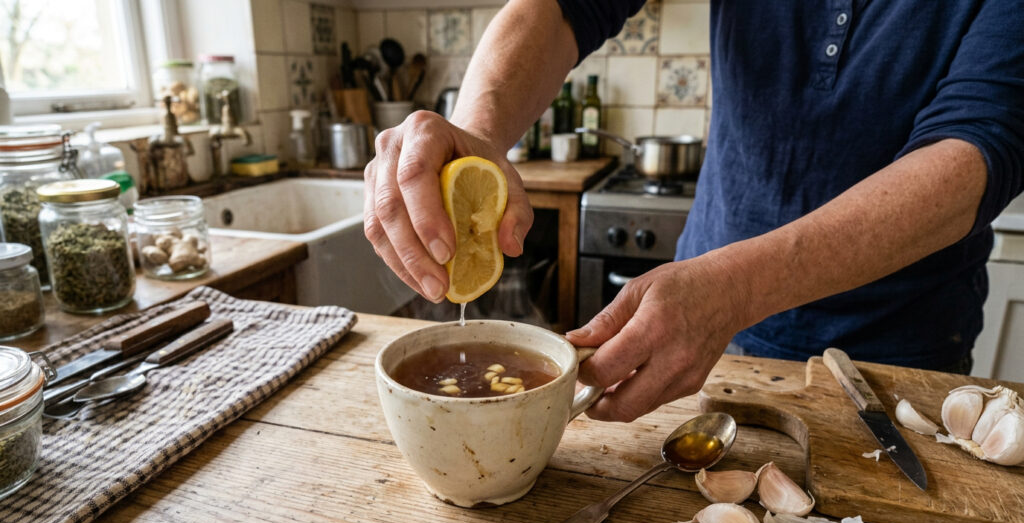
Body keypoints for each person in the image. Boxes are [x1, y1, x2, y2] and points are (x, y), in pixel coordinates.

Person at [363, 0, 1024, 422]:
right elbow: (562, 6)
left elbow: (975, 152)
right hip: (704, 346)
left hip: (902, 351)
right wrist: (477, 134)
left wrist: (736, 288)